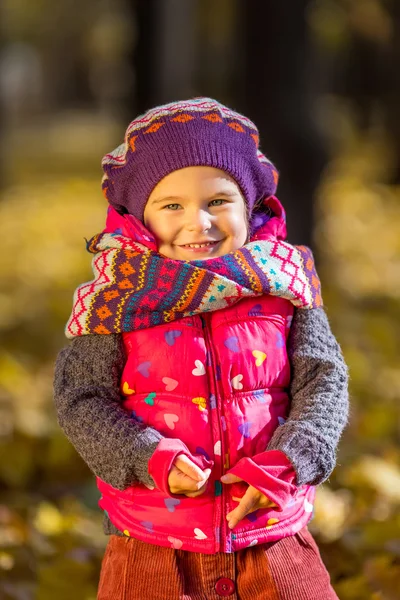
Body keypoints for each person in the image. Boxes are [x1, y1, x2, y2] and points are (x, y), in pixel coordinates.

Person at [54, 97, 349, 599]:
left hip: (269, 531)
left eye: (218, 201)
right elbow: (81, 401)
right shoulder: (116, 301)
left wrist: (291, 458)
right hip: (152, 542)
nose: (200, 223)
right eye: (172, 205)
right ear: (142, 217)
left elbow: (325, 381)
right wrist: (148, 457)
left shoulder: (284, 286)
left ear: (249, 207)